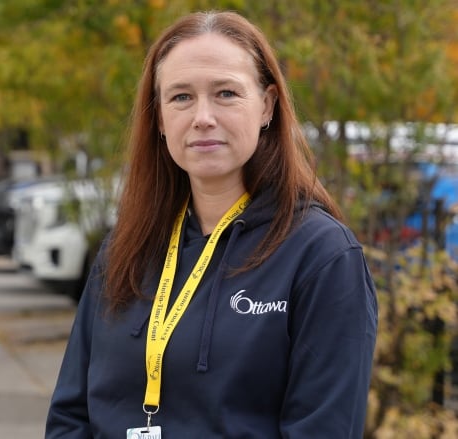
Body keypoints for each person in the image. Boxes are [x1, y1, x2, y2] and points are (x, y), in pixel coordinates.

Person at [45, 10, 378, 439]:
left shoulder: (322, 256)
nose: (202, 116)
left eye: (225, 93)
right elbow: (70, 416)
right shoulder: (126, 246)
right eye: (181, 97)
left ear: (267, 106)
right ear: (160, 119)